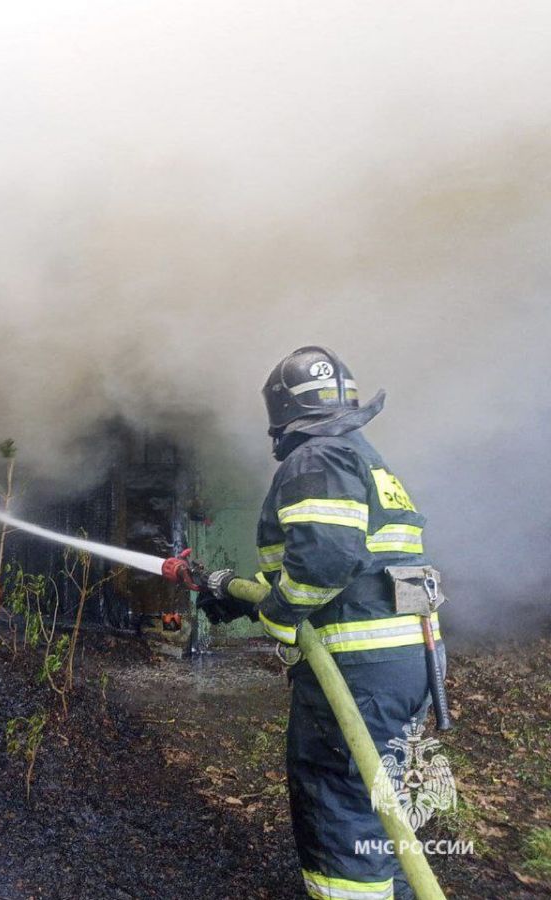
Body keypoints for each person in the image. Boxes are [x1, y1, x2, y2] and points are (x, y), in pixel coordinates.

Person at [202, 346, 445, 900]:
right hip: (404, 660)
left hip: (357, 668)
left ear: (281, 410)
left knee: (335, 796)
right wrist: (242, 596)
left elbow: (327, 561)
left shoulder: (315, 458)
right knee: (376, 797)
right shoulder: (362, 455)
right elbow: (355, 570)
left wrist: (280, 616)